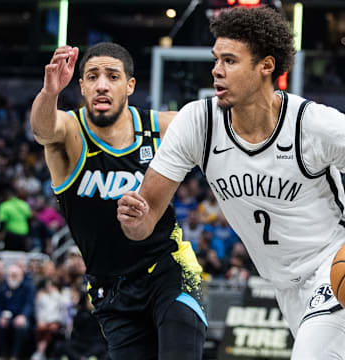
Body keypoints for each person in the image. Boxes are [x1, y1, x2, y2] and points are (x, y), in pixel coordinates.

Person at [117, 6, 345, 359]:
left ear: (265, 66)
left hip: (332, 264)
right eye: (215, 59)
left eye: (229, 61)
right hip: (284, 286)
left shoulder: (312, 126)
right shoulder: (198, 122)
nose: (216, 70)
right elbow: (146, 219)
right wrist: (135, 220)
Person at [30, 42, 207, 360]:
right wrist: (49, 92)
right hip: (110, 287)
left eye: (112, 76)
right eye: (92, 76)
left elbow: (219, 130)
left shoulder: (161, 127)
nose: (101, 84)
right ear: (81, 85)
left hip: (169, 267)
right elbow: (43, 130)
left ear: (130, 85)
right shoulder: (70, 132)